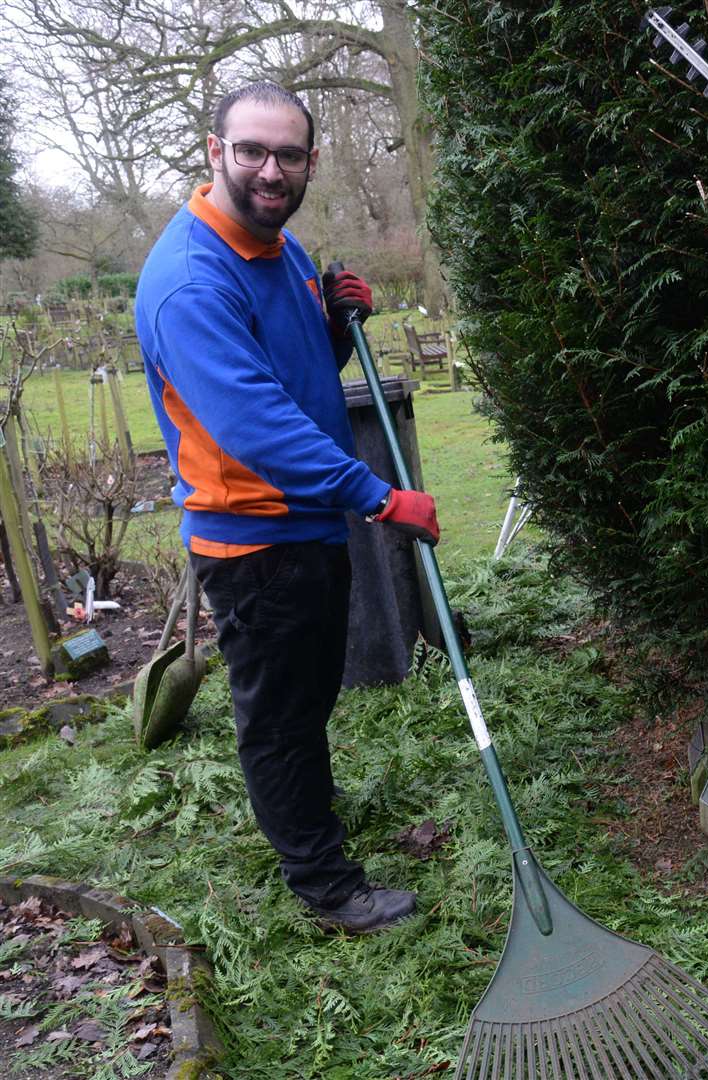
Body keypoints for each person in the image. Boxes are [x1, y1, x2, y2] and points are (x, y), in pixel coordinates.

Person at [134, 81, 440, 935]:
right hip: (253, 542)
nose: (272, 170)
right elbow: (255, 426)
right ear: (214, 151)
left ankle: (308, 805)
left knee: (304, 701)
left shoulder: (282, 247)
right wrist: (380, 497)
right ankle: (325, 884)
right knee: (275, 718)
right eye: (252, 151)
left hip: (304, 522)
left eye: (290, 154)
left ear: (312, 159)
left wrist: (338, 322)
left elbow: (296, 368)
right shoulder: (191, 281)